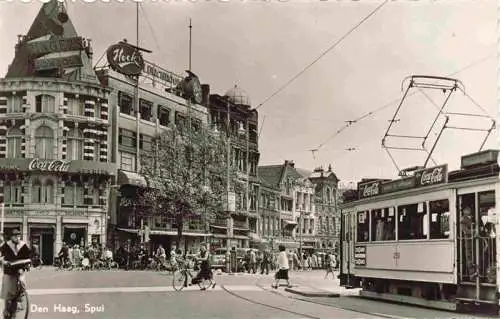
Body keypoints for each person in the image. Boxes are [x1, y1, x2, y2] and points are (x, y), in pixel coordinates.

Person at [0, 229, 32, 316]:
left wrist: (29, 263)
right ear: (11, 237)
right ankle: (6, 309)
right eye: (15, 236)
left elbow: (29, 254)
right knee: (8, 290)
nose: (17, 237)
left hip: (19, 268)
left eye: (18, 235)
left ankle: (21, 297)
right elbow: (1, 255)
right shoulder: (6, 245)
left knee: (22, 282)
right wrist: (3, 261)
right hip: (9, 270)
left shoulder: (23, 245)